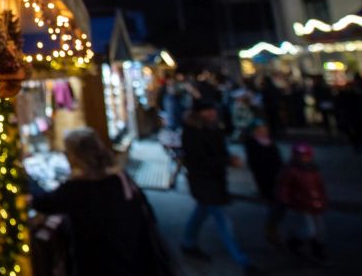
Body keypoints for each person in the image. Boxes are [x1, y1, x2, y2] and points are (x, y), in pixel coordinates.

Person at [31, 128, 176, 276]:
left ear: (75, 156)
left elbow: (41, 202)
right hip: (133, 257)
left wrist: (26, 180)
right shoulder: (120, 178)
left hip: (97, 264)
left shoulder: (76, 189)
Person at [180, 100, 256, 274]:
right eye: (207, 110)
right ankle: (243, 261)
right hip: (205, 182)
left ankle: (188, 243)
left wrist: (227, 159)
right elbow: (199, 159)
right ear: (199, 113)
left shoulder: (213, 128)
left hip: (213, 180)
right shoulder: (193, 132)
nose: (212, 113)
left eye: (212, 109)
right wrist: (227, 160)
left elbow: (217, 150)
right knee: (223, 222)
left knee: (201, 212)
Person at [277, 143, 329, 264]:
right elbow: (284, 186)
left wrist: (323, 199)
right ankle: (295, 240)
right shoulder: (291, 170)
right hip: (301, 203)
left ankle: (318, 250)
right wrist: (284, 199)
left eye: (306, 155)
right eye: (301, 156)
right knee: (309, 229)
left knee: (320, 229)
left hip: (315, 203)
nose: (304, 158)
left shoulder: (313, 170)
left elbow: (320, 186)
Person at [243, 123, 284, 245]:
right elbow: (255, 163)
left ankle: (272, 227)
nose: (263, 132)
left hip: (277, 177)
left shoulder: (270, 141)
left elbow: (278, 158)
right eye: (260, 130)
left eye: (265, 129)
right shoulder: (252, 144)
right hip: (265, 179)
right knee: (274, 203)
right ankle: (271, 228)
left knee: (280, 204)